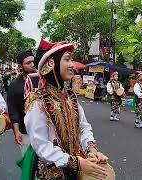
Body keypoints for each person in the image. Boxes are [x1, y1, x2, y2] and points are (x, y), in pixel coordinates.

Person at [24, 40, 109, 179]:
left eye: (72, 59)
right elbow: (41, 145)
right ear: (51, 64)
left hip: (74, 171)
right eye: (67, 59)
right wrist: (76, 163)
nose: (72, 64)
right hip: (50, 174)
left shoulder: (71, 97)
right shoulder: (38, 101)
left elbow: (83, 127)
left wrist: (90, 149)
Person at [7, 50, 38, 156]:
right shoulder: (14, 85)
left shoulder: (43, 81)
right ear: (20, 66)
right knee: (27, 164)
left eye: (33, 61)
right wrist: (16, 131)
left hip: (43, 131)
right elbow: (13, 109)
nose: (32, 64)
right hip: (24, 131)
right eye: (28, 63)